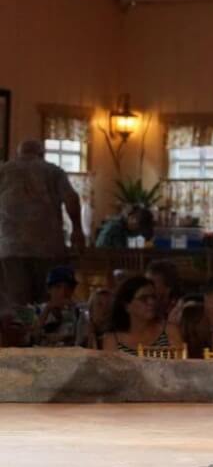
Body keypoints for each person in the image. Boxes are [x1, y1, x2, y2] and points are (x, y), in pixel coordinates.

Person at [0, 139, 85, 305]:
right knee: (47, 301)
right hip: (48, 248)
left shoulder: (3, 171)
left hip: (10, 248)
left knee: (17, 304)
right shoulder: (53, 171)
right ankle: (42, 328)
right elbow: (72, 199)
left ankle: (24, 329)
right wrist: (77, 229)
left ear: (18, 154)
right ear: (41, 154)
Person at [102, 276, 183, 356]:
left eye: (153, 297)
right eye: (143, 298)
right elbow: (111, 368)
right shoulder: (113, 339)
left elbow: (182, 366)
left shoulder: (169, 331)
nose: (151, 302)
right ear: (127, 306)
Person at [32, 265, 83, 347]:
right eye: (57, 287)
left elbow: (82, 342)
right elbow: (31, 338)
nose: (63, 292)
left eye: (68, 288)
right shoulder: (37, 310)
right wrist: (47, 310)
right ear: (49, 289)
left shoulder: (78, 313)